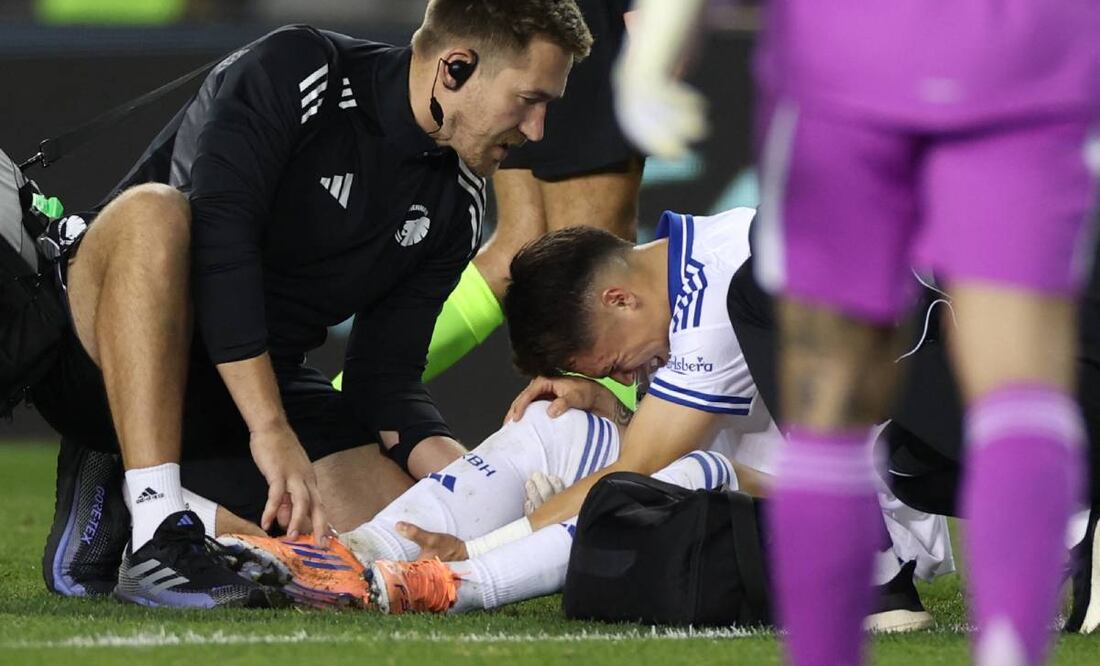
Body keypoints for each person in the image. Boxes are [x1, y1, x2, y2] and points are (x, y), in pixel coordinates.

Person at [35, 0, 592, 608]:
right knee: (155, 214)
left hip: (248, 390)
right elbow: (223, 250)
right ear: (455, 67)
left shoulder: (456, 205)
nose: (537, 130)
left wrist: (473, 477)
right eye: (530, 100)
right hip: (99, 358)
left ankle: (134, 494)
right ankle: (151, 513)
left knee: (391, 545)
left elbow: (386, 382)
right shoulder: (300, 69)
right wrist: (270, 429)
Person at [614, 1, 1100, 664]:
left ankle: (857, 610)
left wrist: (657, 44)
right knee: (1020, 389)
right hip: (1023, 54)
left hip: (851, 59)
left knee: (829, 406)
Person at [222, 209, 951, 629]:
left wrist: (477, 550)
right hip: (778, 476)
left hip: (874, 518)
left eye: (609, 364)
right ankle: (352, 549)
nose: (624, 376)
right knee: (556, 422)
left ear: (617, 300)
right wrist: (609, 402)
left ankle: (453, 584)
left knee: (687, 472)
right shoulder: (685, 262)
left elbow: (640, 467)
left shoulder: (719, 286)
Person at [332, 0, 642, 409]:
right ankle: (603, 453)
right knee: (601, 262)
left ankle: (337, 401)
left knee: (518, 249)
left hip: (519, 16)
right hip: (585, 19)